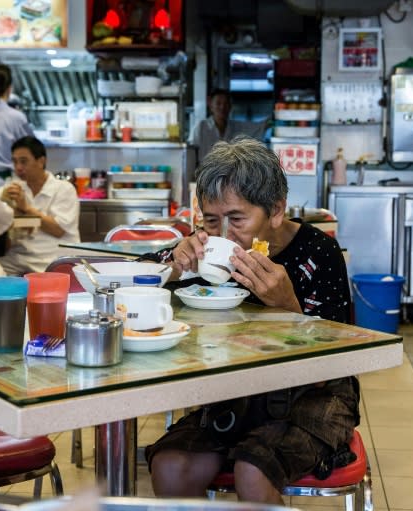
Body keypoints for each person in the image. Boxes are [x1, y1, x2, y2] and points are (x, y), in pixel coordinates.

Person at [145, 136, 357, 505]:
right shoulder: (202, 250)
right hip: (236, 389)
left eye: (236, 219)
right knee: (169, 465)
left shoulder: (319, 253)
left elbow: (335, 363)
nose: (223, 236)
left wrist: (289, 306)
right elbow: (132, 276)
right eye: (211, 221)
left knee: (253, 470)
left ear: (276, 210)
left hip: (315, 396)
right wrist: (173, 266)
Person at [0, 136, 80, 275]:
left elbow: (58, 229)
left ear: (41, 161)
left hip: (54, 258)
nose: (18, 168)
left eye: (23, 162)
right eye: (15, 162)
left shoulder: (64, 189)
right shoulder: (14, 188)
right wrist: (3, 202)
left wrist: (25, 208)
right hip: (19, 258)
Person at [189, 88, 266, 161]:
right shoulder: (201, 127)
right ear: (211, 105)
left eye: (226, 103)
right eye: (218, 103)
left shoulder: (236, 126)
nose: (222, 107)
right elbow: (191, 152)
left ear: (230, 106)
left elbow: (259, 127)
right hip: (204, 172)